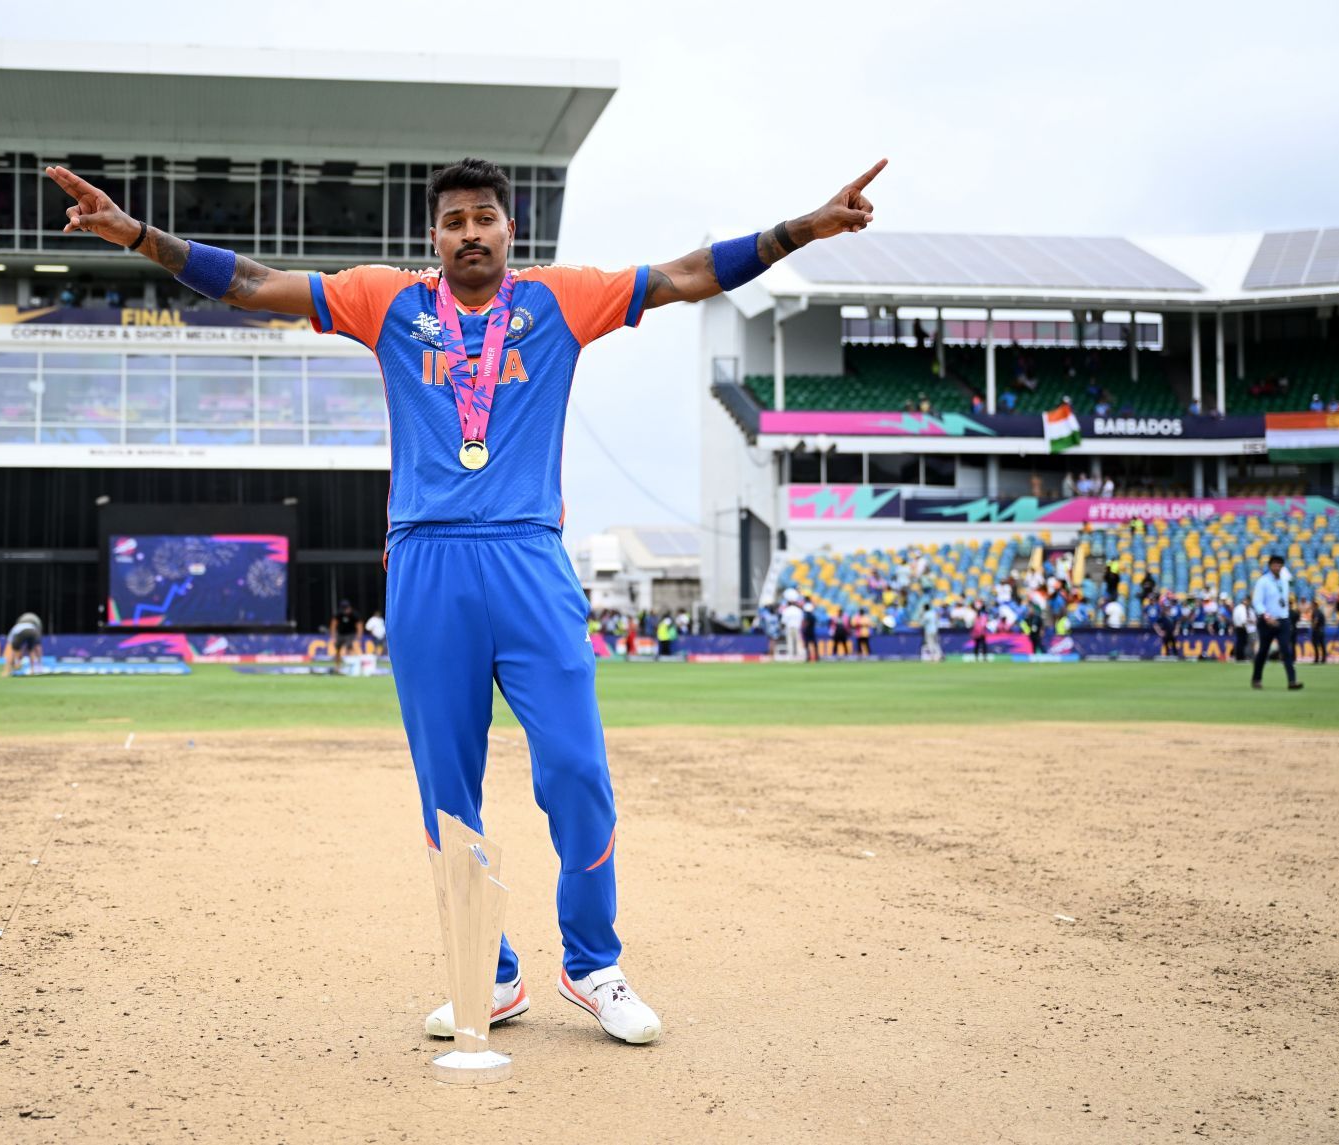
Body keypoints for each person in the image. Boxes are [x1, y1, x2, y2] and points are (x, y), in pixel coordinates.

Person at [51, 152, 884, 1045]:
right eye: (454, 221)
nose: (471, 231)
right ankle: (485, 974)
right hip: (427, 562)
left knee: (577, 771)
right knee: (448, 789)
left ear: (508, 229)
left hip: (529, 556)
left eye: (485, 216)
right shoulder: (387, 301)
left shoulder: (563, 299)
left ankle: (592, 963)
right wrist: (137, 234)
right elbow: (254, 283)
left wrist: (803, 226)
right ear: (434, 237)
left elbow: (687, 274)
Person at [1251, 554, 1302, 690]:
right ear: (1270, 566)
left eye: (1280, 565)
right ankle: (1256, 679)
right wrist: (1267, 617)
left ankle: (1292, 681)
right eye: (1275, 565)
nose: (1277, 567)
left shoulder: (1284, 580)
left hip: (1283, 620)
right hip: (1267, 621)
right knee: (1263, 651)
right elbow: (1257, 602)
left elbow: (1293, 583)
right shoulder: (1263, 581)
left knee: (1286, 650)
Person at [1, 612, 45, 677]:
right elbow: (38, 647)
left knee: (13, 651)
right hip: (33, 631)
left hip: (22, 633)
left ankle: (7, 670)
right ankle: (34, 669)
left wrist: (17, 655)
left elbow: (10, 645)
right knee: (31, 650)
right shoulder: (33, 625)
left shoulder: (15, 628)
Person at [329, 598, 362, 669]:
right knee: (338, 650)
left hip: (351, 634)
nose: (346, 610)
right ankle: (337, 667)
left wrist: (358, 638)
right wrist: (333, 637)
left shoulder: (354, 614)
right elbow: (333, 625)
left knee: (349, 647)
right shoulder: (339, 614)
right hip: (340, 634)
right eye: (344, 608)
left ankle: (354, 666)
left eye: (347, 608)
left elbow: (359, 626)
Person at [1230, 597, 1251, 661]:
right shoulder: (1242, 608)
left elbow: (1233, 618)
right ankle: (1241, 657)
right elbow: (1243, 620)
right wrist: (1246, 628)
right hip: (1242, 627)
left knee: (1239, 642)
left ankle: (1238, 656)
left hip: (1237, 626)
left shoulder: (1237, 607)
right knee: (1242, 643)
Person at [1309, 596, 1327, 664]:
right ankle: (1323, 659)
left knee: (1315, 645)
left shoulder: (1316, 611)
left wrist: (1313, 627)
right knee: (1322, 645)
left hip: (1317, 631)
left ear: (1315, 605)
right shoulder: (1320, 611)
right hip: (1321, 630)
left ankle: (1317, 659)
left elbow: (1316, 620)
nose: (1311, 605)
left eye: (1312, 604)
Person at [800, 596, 819, 662]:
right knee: (814, 644)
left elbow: (805, 624)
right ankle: (816, 657)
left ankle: (808, 657)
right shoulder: (812, 616)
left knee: (807, 644)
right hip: (811, 631)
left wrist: (804, 629)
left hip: (807, 631)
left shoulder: (806, 616)